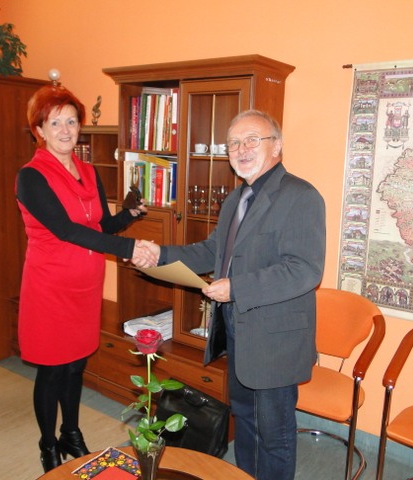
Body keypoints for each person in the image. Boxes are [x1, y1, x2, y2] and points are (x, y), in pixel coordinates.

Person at [135, 110, 325, 480]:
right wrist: (161, 254)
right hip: (238, 332)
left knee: (274, 435)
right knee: (247, 424)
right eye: (233, 143)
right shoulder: (236, 198)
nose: (241, 149)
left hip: (275, 341)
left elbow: (304, 269)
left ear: (277, 146)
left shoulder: (301, 196)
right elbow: (212, 251)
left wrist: (237, 287)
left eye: (252, 139)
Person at [16, 83, 155, 473]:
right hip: (50, 287)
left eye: (71, 121)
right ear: (39, 130)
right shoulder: (31, 176)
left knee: (76, 364)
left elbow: (99, 225)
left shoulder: (90, 172)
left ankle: (71, 432)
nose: (65, 130)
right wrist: (130, 248)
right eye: (55, 122)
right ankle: (48, 443)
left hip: (85, 286)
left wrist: (128, 216)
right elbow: (66, 230)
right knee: (52, 368)